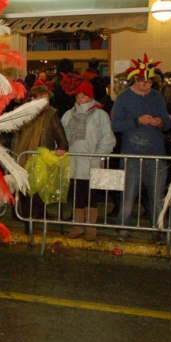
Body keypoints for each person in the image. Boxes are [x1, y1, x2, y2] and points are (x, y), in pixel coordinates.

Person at [110, 55, 171, 242]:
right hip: (131, 155)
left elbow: (167, 123)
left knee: (157, 196)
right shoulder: (123, 98)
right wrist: (137, 121)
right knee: (128, 195)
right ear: (136, 80)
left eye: (151, 81)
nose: (148, 85)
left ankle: (158, 230)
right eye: (145, 82)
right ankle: (123, 228)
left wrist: (160, 122)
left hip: (156, 155)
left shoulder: (157, 97)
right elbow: (115, 125)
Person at [61, 81, 116, 241]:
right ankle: (78, 226)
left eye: (83, 95)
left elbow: (107, 138)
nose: (79, 98)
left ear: (90, 96)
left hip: (92, 162)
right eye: (77, 95)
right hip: (74, 163)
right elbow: (62, 136)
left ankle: (91, 227)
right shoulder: (69, 114)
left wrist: (98, 155)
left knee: (91, 196)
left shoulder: (100, 115)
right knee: (77, 195)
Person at [11, 85, 68, 219]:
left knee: (39, 187)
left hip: (41, 156)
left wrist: (63, 146)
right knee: (25, 189)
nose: (46, 102)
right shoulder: (22, 113)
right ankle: (27, 218)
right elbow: (13, 133)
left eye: (48, 99)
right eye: (43, 99)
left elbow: (59, 132)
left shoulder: (51, 114)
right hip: (22, 155)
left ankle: (38, 216)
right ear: (33, 99)